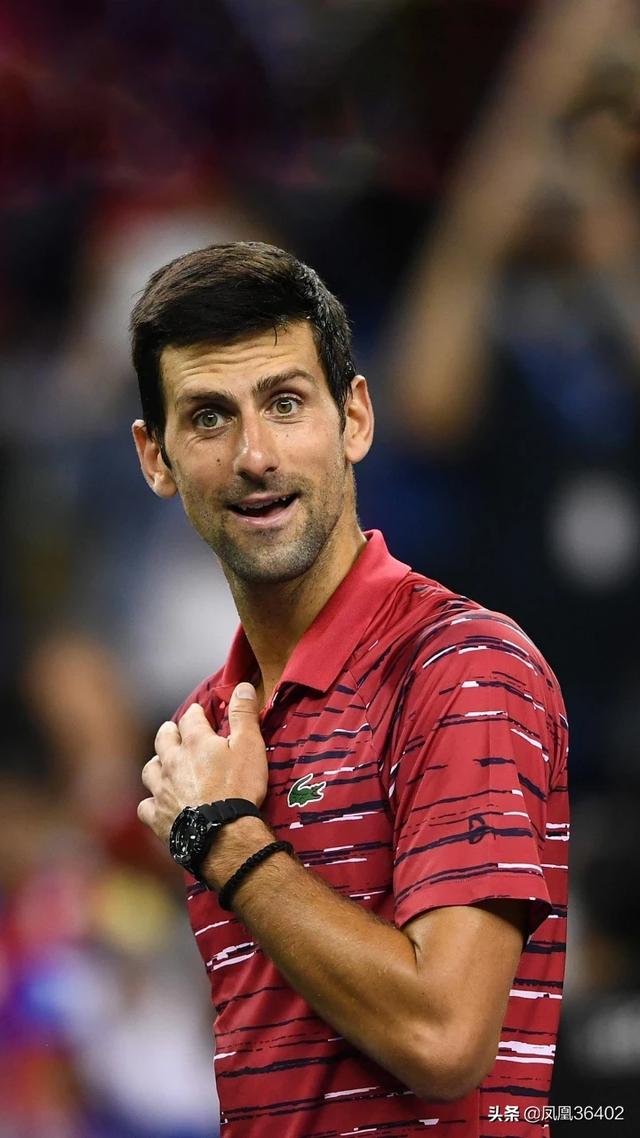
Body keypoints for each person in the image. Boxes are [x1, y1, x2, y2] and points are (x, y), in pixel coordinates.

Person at [130, 241, 569, 1138]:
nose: (254, 455)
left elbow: (444, 1039)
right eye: (208, 418)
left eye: (286, 403)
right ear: (156, 458)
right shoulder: (204, 735)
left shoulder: (462, 667)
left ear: (355, 419)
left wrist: (229, 843)